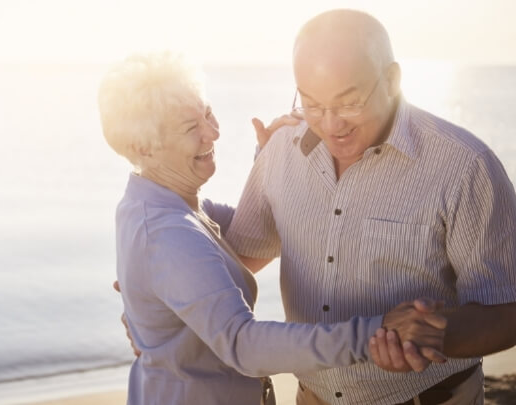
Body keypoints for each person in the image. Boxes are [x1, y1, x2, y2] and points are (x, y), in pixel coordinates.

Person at [98, 51, 447, 405]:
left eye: (208, 114)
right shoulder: (166, 233)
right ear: (142, 146)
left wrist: (271, 163)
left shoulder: (165, 204)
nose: (213, 133)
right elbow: (244, 345)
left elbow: (250, 236)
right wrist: (376, 331)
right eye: (192, 129)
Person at [227, 9, 516, 405]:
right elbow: (239, 256)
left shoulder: (465, 166)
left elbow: (506, 311)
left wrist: (429, 335)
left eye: (348, 103)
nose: (331, 125)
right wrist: (157, 290)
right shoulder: (279, 151)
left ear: (393, 80)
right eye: (312, 104)